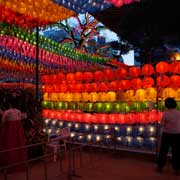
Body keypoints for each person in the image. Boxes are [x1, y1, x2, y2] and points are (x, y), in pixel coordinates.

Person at [0, 96, 27, 170]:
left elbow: (3, 121)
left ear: (9, 103)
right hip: (18, 132)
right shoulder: (18, 111)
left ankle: (9, 164)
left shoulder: (7, 112)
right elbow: (21, 118)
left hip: (9, 132)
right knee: (18, 145)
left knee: (9, 145)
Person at [157, 97, 180, 175]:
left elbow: (162, 124)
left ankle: (160, 167)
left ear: (166, 105)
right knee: (176, 152)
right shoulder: (178, 113)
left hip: (167, 134)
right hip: (177, 134)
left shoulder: (166, 113)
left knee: (163, 151)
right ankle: (176, 169)